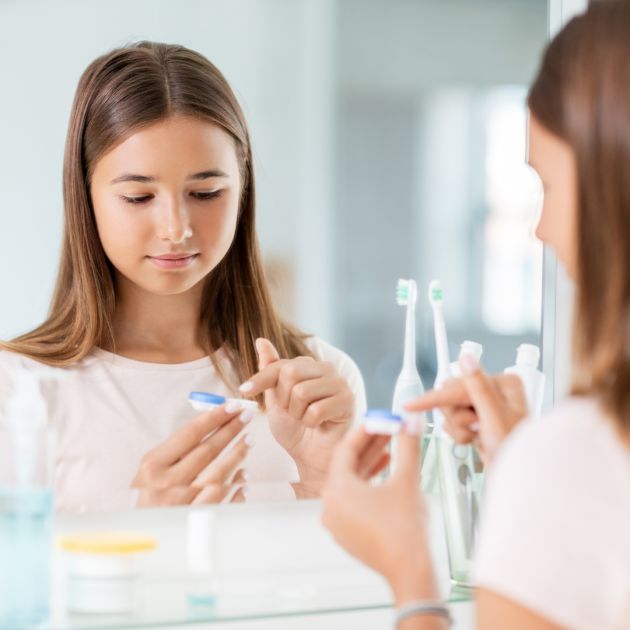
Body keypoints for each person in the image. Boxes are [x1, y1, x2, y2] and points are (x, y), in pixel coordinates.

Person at [322, 3, 630, 629]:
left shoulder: (575, 456)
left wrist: (411, 573)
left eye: (547, 183)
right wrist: (529, 461)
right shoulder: (564, 459)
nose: (541, 230)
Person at [0, 42, 366, 512]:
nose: (176, 228)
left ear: (243, 190)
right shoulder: (18, 390)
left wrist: (323, 481)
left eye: (206, 192)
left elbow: (366, 579)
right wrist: (147, 527)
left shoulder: (320, 383)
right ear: (85, 196)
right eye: (138, 197)